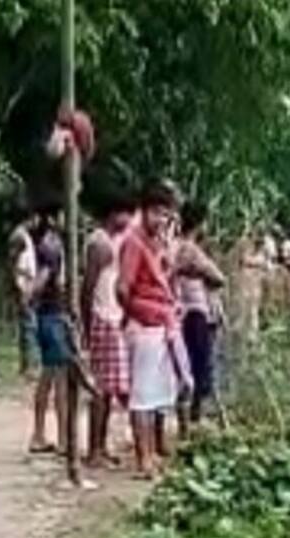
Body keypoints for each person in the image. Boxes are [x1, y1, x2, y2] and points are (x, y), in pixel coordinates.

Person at [119, 179, 182, 477]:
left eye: (166, 215)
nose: (161, 220)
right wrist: (140, 313)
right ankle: (143, 458)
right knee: (142, 397)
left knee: (156, 394)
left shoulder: (156, 243)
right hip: (144, 327)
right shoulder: (133, 242)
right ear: (144, 211)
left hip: (160, 324)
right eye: (157, 213)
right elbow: (123, 289)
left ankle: (151, 453)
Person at [82, 193, 133, 465]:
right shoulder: (100, 243)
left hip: (112, 317)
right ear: (114, 214)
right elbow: (88, 286)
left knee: (110, 388)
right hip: (103, 318)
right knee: (101, 388)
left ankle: (100, 447)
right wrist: (87, 326)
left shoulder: (112, 241)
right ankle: (94, 450)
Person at [26, 219, 80, 480]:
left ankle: (39, 433)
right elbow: (45, 276)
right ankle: (62, 438)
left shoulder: (46, 243)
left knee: (48, 376)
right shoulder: (53, 245)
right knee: (58, 377)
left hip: (47, 315)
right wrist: (32, 294)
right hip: (53, 315)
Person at [172, 203, 227, 427]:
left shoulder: (172, 246)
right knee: (198, 368)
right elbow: (218, 277)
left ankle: (187, 420)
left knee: (185, 368)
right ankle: (191, 421)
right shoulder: (190, 250)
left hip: (178, 312)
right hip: (194, 313)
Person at [7, 205, 39, 375]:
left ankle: (26, 364)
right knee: (29, 326)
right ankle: (28, 366)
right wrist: (20, 282)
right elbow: (13, 264)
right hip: (23, 285)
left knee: (28, 325)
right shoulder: (19, 237)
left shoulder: (23, 236)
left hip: (26, 284)